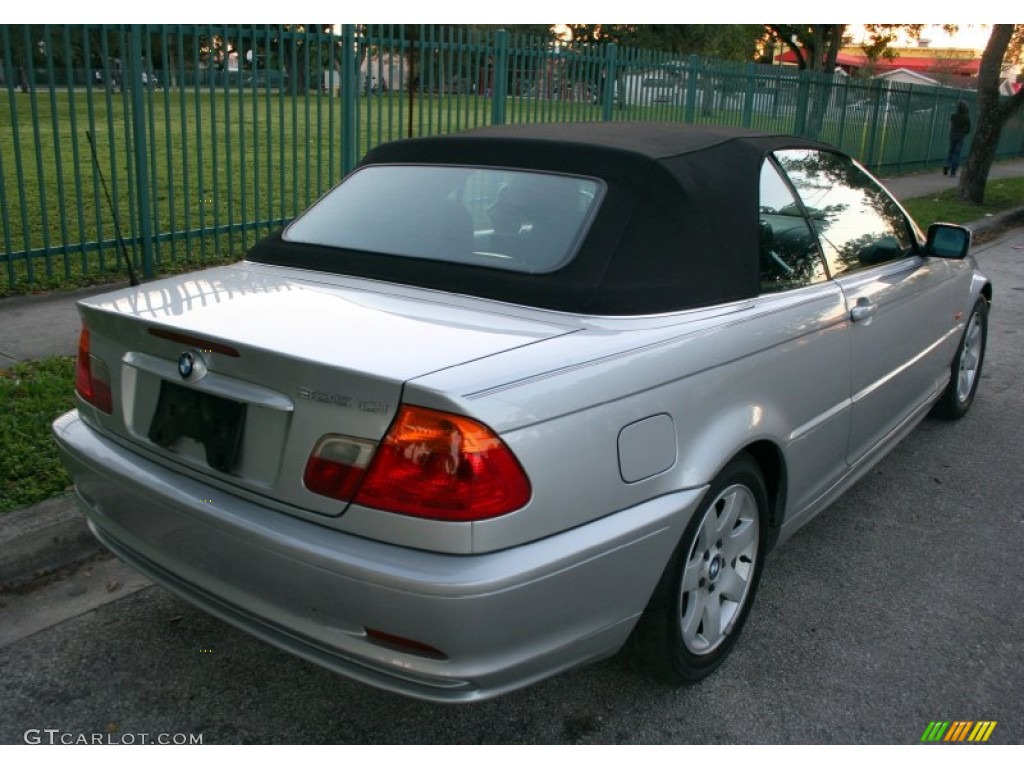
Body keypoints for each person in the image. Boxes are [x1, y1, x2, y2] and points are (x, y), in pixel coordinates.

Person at [944, 100, 971, 177]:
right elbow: (968, 129)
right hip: (961, 136)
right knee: (957, 153)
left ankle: (947, 165)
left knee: (951, 151)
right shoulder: (966, 118)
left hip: (952, 135)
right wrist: (964, 132)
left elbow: (950, 125)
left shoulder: (953, 116)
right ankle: (953, 171)